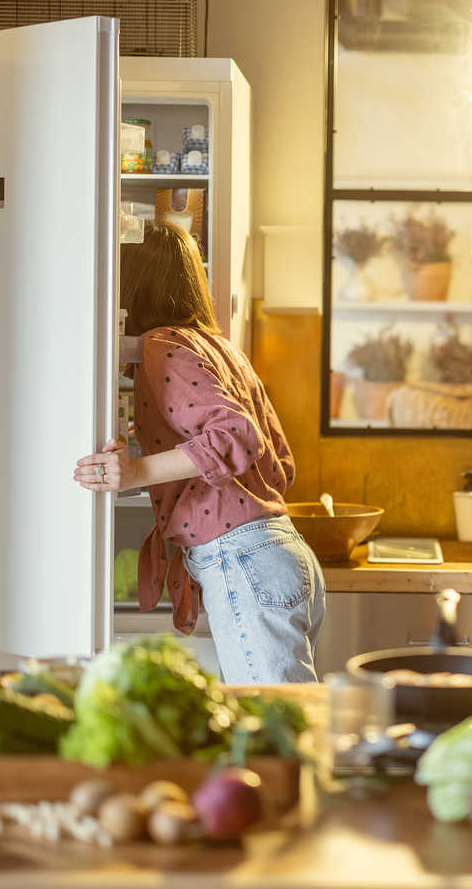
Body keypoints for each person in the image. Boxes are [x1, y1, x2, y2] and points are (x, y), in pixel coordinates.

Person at [73, 222, 324, 684]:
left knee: (277, 733)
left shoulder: (162, 345)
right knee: (283, 724)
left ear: (131, 283)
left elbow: (237, 435)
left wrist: (132, 473)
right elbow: (281, 464)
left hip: (245, 559)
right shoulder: (221, 347)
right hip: (281, 551)